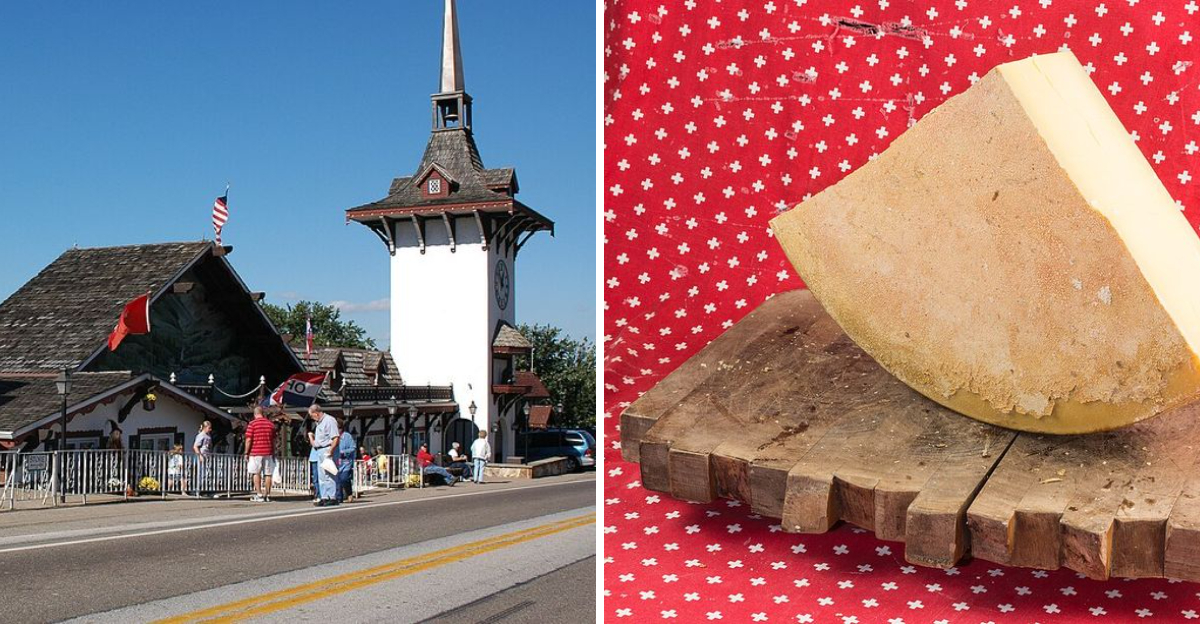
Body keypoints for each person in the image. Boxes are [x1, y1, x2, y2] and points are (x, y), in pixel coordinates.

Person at [244, 406, 277, 502]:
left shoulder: (252, 424)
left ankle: (259, 494)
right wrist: (273, 451)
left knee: (256, 473)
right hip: (268, 452)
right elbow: (274, 440)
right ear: (263, 413)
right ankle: (267, 495)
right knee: (268, 474)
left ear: (255, 414)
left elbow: (248, 439)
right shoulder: (270, 424)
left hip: (255, 452)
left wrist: (246, 452)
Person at [309, 403, 340, 506]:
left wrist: (331, 451)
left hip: (327, 449)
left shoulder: (329, 420)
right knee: (322, 476)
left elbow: (335, 437)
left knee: (329, 474)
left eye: (312, 415)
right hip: (319, 450)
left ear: (316, 413)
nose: (312, 418)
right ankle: (324, 496)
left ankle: (332, 496)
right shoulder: (319, 423)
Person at [335, 420, 356, 503]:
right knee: (337, 480)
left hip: (346, 462)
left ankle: (349, 493)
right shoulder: (333, 437)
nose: (337, 430)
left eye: (339, 428)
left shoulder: (347, 436)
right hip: (336, 462)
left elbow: (353, 448)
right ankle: (339, 498)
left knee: (344, 478)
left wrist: (344, 452)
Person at [192, 420, 213, 496]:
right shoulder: (201, 435)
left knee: (206, 474)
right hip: (201, 457)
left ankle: (204, 490)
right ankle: (196, 490)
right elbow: (195, 446)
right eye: (209, 428)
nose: (210, 429)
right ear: (205, 427)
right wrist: (200, 455)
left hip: (207, 457)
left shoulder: (208, 436)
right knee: (200, 474)